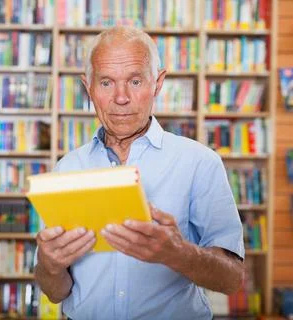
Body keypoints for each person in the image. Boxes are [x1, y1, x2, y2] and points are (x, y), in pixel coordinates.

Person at [34, 26, 245, 320]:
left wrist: (178, 252)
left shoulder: (200, 162)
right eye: (106, 83)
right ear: (89, 87)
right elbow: (55, 292)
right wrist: (49, 264)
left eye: (134, 80)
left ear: (157, 83)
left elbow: (233, 279)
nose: (121, 97)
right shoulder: (67, 168)